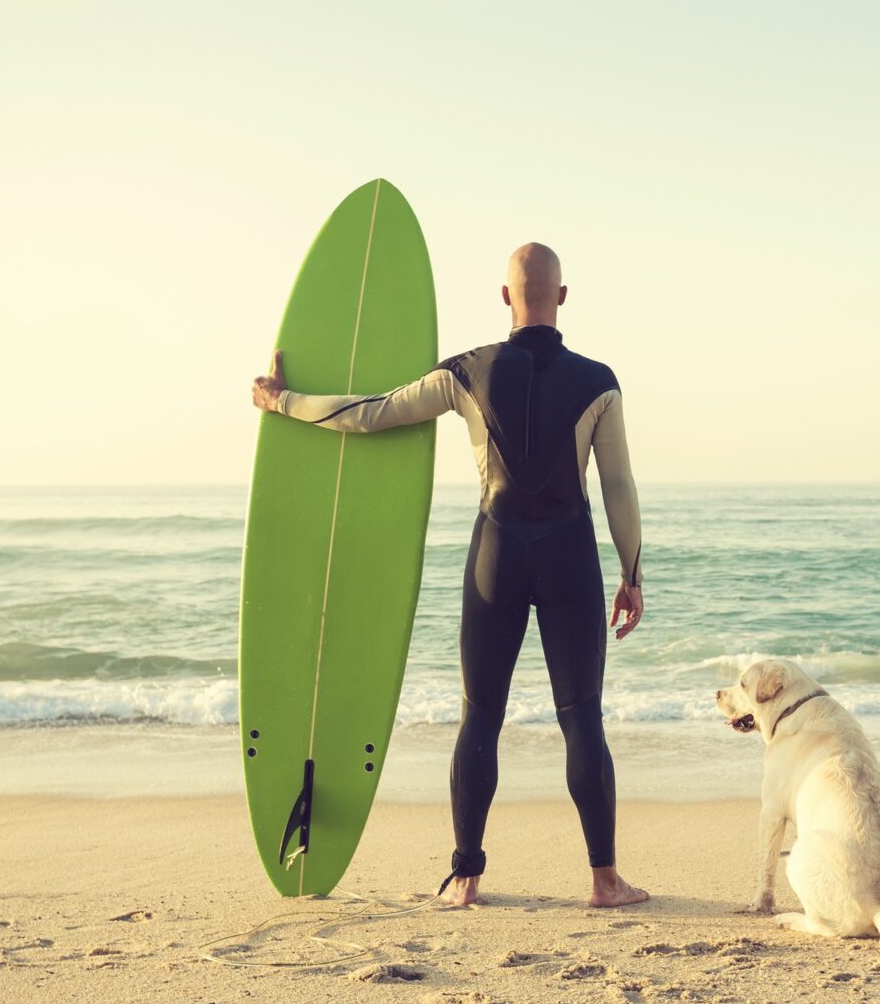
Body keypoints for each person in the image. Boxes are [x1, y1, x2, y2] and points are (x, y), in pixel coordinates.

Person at [251, 242, 649, 908]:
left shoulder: (469, 372)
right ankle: (605, 881)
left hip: (495, 551)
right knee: (582, 718)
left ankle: (464, 878)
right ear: (564, 296)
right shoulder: (598, 381)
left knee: (480, 718)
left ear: (504, 297)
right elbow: (618, 485)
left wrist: (283, 401)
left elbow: (373, 413)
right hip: (569, 558)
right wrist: (632, 573)